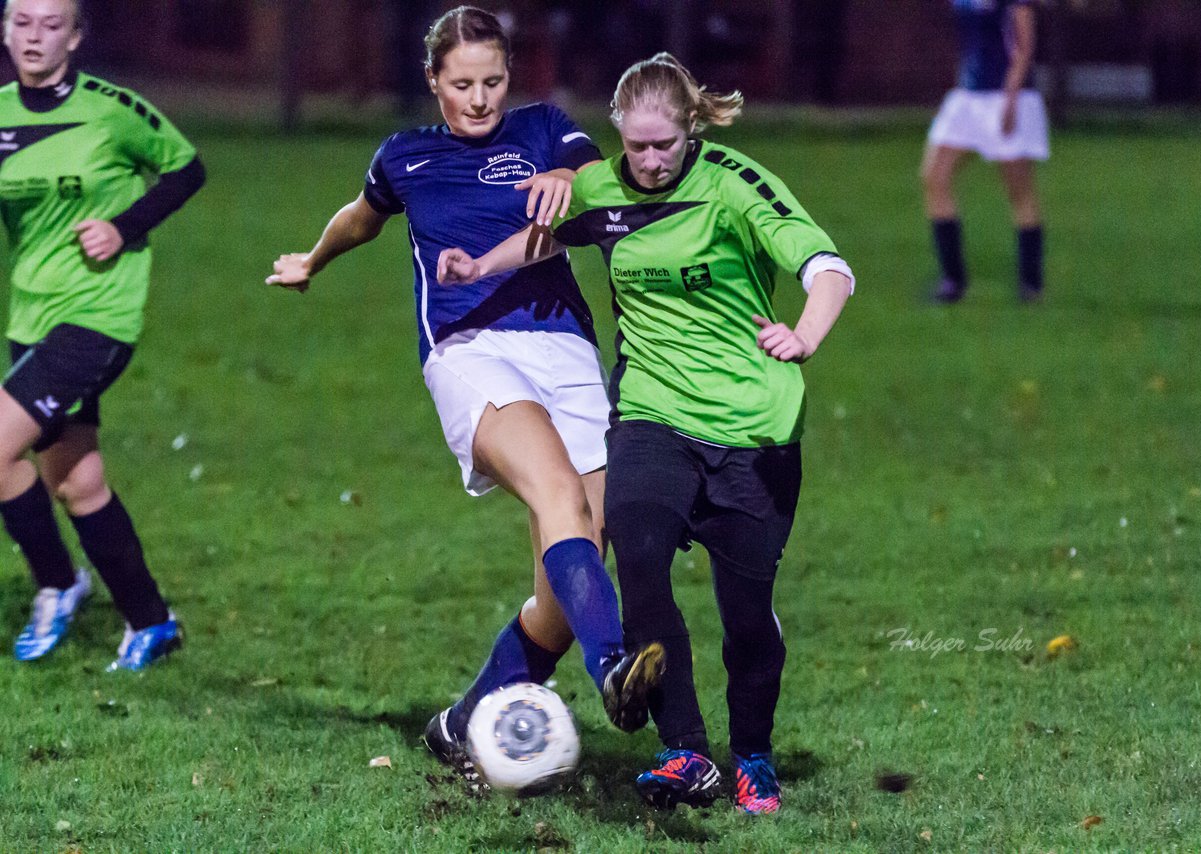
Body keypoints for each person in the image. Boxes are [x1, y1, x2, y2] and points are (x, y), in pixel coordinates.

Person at [438, 52, 854, 814]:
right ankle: (685, 750)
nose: (651, 161)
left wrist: (806, 333)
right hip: (652, 414)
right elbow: (552, 237)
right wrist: (476, 270)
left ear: (690, 128)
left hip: (751, 428)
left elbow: (828, 266)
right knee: (634, 545)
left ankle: (753, 758)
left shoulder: (734, 184)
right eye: (637, 147)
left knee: (745, 616)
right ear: (620, 136)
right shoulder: (604, 187)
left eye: (665, 145)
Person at [266, 6, 663, 784]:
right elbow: (359, 219)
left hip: (565, 349)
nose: (479, 100)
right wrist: (313, 260)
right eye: (461, 85)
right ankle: (613, 667)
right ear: (433, 83)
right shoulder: (405, 156)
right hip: (469, 350)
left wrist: (564, 176)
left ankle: (461, 723)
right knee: (555, 494)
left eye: (492, 82)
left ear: (510, 79)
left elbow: (595, 174)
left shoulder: (546, 128)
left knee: (563, 585)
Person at [0, 0, 204, 669]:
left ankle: (59, 584)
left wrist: (124, 225)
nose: (35, 35)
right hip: (30, 314)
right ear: (5, 31)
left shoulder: (111, 108)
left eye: (51, 23)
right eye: (22, 21)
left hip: (97, 315)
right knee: (76, 480)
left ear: (77, 36)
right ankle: (151, 621)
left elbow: (185, 169)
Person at [922, 0, 1048, 303]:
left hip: (1006, 97)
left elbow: (1024, 44)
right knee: (934, 176)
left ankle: (1031, 287)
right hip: (968, 97)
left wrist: (1011, 96)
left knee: (1019, 191)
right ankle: (953, 281)